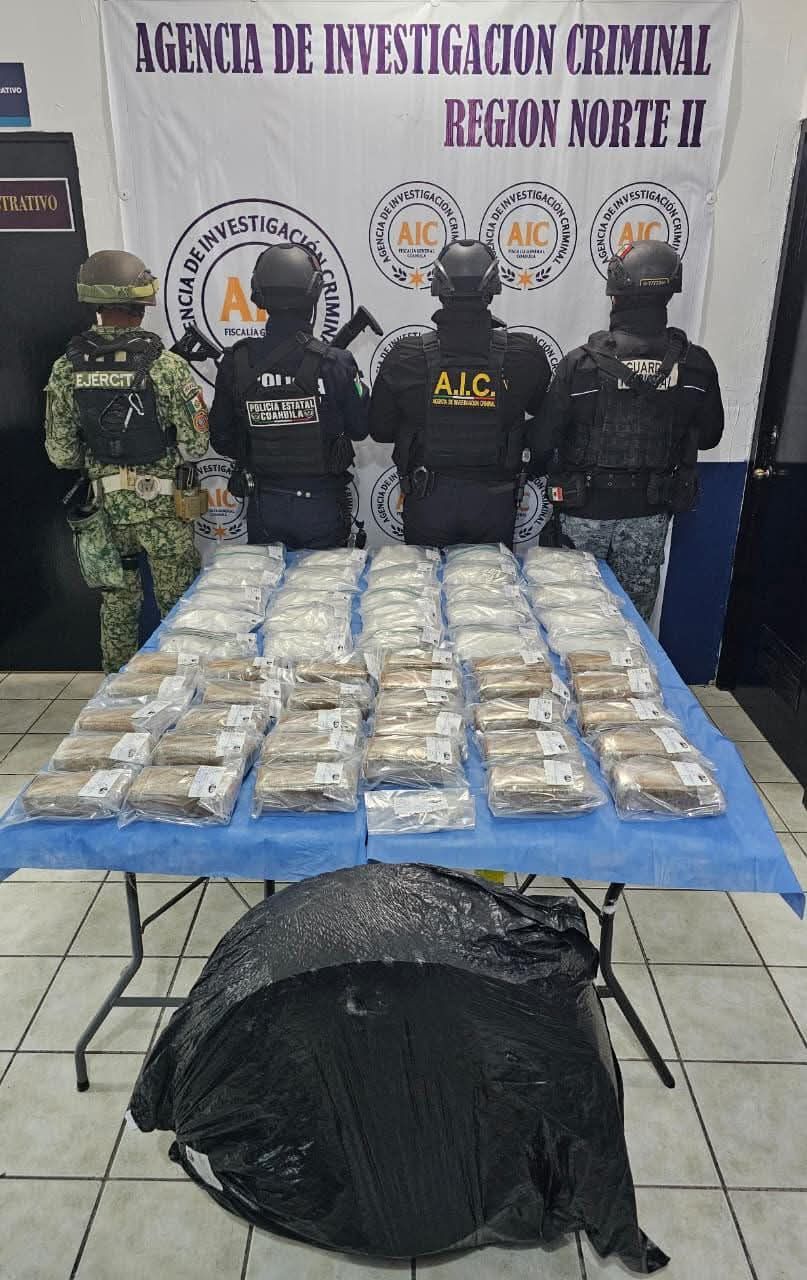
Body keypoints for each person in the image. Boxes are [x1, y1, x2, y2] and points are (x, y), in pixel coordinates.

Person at [530, 239, 724, 620]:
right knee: (631, 628)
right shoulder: (696, 366)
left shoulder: (580, 366)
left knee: (571, 624)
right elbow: (711, 435)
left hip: (582, 513)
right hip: (648, 518)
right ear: (669, 293)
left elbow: (541, 442)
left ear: (615, 294)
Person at [45, 250, 209, 672]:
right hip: (163, 511)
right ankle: (181, 691)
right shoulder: (167, 367)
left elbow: (61, 454)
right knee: (179, 609)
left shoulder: (66, 369)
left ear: (94, 303)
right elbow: (195, 446)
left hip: (107, 513)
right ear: (141, 305)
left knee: (118, 607)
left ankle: (115, 696)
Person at [369, 239, 552, 547]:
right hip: (494, 501)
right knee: (489, 581)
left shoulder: (405, 355)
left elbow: (380, 430)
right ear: (492, 288)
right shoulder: (525, 354)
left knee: (425, 579)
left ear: (438, 287)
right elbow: (544, 422)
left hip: (428, 499)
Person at [209, 243, 369, 549]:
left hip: (265, 504)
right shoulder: (336, 362)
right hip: (321, 504)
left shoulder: (236, 361)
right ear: (314, 293)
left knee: (267, 581)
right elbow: (360, 428)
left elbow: (222, 438)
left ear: (258, 294)